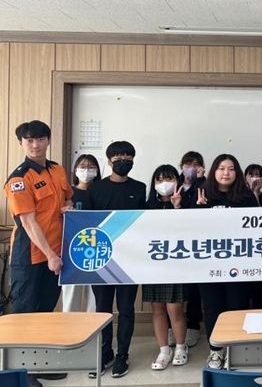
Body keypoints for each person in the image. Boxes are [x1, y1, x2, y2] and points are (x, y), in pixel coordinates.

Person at [4, 120, 73, 387]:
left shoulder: (57, 170)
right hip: (30, 256)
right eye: (30, 140)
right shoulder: (19, 179)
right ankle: (22, 374)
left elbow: (67, 198)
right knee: (25, 315)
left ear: (48, 140)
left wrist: (68, 206)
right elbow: (29, 223)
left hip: (56, 252)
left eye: (40, 139)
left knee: (45, 313)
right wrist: (51, 256)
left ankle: (39, 365)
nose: (35, 145)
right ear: (21, 143)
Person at [89, 141, 146, 378]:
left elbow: (144, 222)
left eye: (128, 157)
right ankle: (105, 354)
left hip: (129, 261)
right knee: (102, 310)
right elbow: (86, 223)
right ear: (109, 160)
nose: (123, 160)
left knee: (126, 310)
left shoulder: (140, 188)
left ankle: (123, 355)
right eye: (118, 157)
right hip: (101, 260)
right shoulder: (95, 189)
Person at [196, 154, 258, 369]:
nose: (226, 173)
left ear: (237, 173)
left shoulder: (247, 198)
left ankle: (234, 349)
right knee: (212, 307)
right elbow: (186, 228)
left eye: (231, 169)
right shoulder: (201, 194)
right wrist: (197, 207)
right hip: (209, 265)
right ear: (214, 171)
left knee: (237, 305)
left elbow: (256, 228)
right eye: (222, 168)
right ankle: (215, 350)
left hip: (238, 265)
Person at [143, 165, 188, 370]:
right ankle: (163, 350)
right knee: (158, 308)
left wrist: (177, 207)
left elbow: (188, 230)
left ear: (177, 181)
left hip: (176, 264)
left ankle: (180, 347)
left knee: (175, 308)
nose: (164, 183)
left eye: (169, 179)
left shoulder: (185, 203)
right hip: (153, 264)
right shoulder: (147, 206)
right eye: (159, 180)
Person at [169, 150, 205, 348]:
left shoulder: (205, 185)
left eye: (196, 164)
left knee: (194, 290)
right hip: (176, 244)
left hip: (198, 244)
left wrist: (199, 182)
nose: (191, 167)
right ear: (181, 166)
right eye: (188, 164)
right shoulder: (174, 185)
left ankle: (193, 326)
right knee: (176, 288)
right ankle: (173, 327)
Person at [62, 154, 100, 313]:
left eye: (91, 167)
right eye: (83, 167)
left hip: (97, 250)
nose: (87, 171)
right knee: (71, 296)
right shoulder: (67, 193)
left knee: (94, 299)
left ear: (97, 171)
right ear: (75, 170)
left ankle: (94, 329)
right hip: (72, 250)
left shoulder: (101, 192)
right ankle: (69, 328)